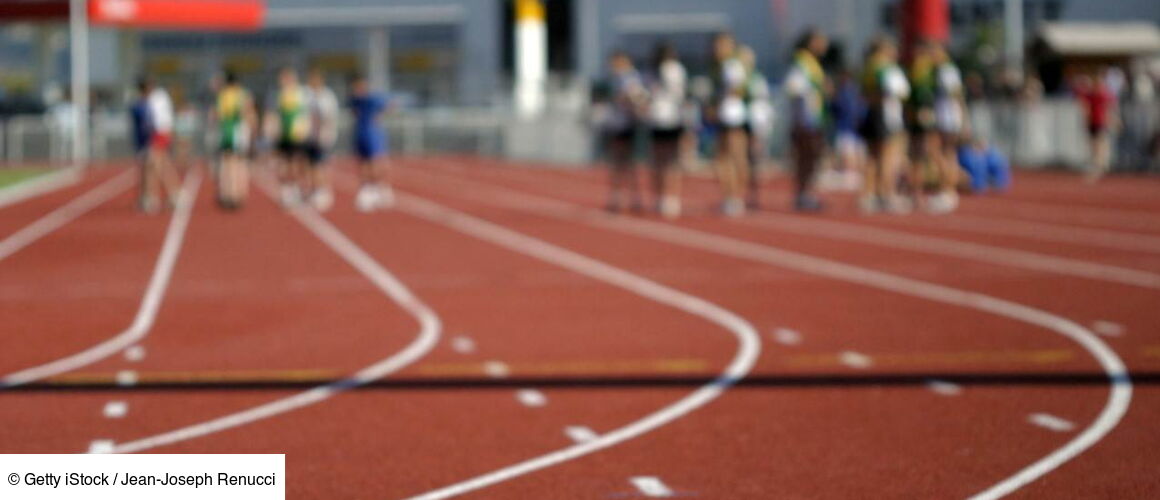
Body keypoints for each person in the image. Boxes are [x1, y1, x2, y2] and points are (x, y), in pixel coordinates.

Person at [906, 40, 962, 214]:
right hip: (943, 115)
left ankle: (948, 190)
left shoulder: (945, 69)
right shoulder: (938, 69)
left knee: (939, 152)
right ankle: (947, 190)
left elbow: (956, 93)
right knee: (945, 153)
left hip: (946, 116)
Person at [857, 35, 911, 214]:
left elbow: (864, 91)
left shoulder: (868, 66)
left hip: (871, 112)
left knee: (872, 156)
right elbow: (900, 91)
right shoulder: (886, 67)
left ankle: (869, 194)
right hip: (886, 114)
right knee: (888, 156)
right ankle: (887, 194)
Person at [783, 28, 829, 212]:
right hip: (806, 120)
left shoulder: (810, 63)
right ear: (811, 43)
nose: (824, 45)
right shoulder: (802, 63)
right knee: (807, 158)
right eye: (820, 41)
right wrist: (816, 88)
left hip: (812, 118)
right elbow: (793, 87)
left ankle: (804, 194)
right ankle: (803, 194)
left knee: (810, 158)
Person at [645, 42, 688, 219]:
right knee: (663, 160)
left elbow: (678, 93)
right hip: (660, 119)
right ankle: (664, 196)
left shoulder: (672, 70)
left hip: (669, 119)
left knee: (666, 160)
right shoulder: (653, 72)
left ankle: (669, 196)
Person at [601, 50, 647, 213]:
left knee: (626, 162)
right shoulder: (618, 78)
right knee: (620, 162)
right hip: (619, 124)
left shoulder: (630, 77)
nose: (611, 66)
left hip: (628, 124)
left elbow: (636, 98)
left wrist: (628, 102)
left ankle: (631, 197)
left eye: (614, 62)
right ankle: (623, 196)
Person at [709, 32, 749, 216]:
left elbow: (739, 89)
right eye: (716, 46)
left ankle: (735, 197)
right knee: (724, 160)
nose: (718, 49)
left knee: (733, 159)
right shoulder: (722, 66)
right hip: (726, 117)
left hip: (732, 117)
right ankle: (731, 197)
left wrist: (718, 103)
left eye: (722, 45)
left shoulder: (732, 65)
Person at [348, 73, 395, 211]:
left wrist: (378, 116)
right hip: (360, 134)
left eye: (359, 86)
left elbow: (390, 105)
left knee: (376, 162)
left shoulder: (372, 99)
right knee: (363, 162)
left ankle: (379, 187)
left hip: (372, 134)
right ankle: (368, 188)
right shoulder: (354, 100)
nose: (357, 89)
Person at [211, 71, 256, 210]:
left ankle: (226, 193)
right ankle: (238, 193)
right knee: (239, 162)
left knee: (226, 163)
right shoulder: (243, 94)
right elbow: (248, 113)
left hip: (225, 131)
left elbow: (216, 115)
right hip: (239, 132)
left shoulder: (223, 95)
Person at [267, 67, 311, 207]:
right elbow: (274, 114)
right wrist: (272, 129)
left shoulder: (301, 93)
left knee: (298, 163)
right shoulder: (278, 95)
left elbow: (307, 113)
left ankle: (298, 189)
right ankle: (288, 190)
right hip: (283, 135)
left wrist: (305, 130)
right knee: (284, 164)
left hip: (297, 135)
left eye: (286, 78)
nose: (283, 81)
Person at [140, 77, 182, 214]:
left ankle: (152, 198)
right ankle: (173, 194)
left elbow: (154, 120)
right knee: (162, 164)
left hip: (159, 133)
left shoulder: (154, 98)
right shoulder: (161, 96)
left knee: (153, 164)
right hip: (162, 132)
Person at [739, 45, 774, 209]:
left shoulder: (756, 79)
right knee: (743, 159)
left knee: (754, 160)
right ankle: (743, 193)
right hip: (743, 122)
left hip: (755, 123)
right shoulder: (740, 77)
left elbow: (761, 104)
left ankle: (754, 194)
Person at [304, 69, 340, 211]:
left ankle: (323, 190)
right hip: (310, 136)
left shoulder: (327, 97)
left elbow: (328, 118)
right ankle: (314, 189)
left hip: (323, 137)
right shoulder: (308, 95)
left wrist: (324, 134)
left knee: (321, 165)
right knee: (311, 165)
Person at [1073, 71, 1118, 182]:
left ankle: (1099, 168)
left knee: (1099, 145)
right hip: (1092, 123)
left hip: (1101, 123)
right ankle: (1099, 166)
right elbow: (1084, 106)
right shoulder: (1091, 94)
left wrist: (1114, 120)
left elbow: (1111, 109)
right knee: (1093, 147)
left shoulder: (1105, 94)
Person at [827, 68, 866, 191]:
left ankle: (850, 176)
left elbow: (858, 111)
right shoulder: (848, 92)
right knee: (846, 154)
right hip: (846, 128)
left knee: (849, 155)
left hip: (849, 128)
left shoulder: (849, 92)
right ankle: (848, 175)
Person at [129, 80, 154, 211]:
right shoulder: (140, 105)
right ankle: (145, 197)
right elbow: (144, 124)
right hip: (142, 141)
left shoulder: (146, 104)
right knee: (144, 171)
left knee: (147, 171)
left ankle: (147, 197)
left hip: (147, 141)